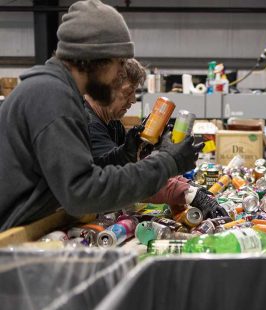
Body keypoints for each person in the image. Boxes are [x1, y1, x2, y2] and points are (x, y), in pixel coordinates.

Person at [0, 0, 201, 231]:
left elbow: (85, 171)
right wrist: (167, 162)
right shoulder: (51, 96)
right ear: (96, 59)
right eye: (119, 62)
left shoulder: (58, 92)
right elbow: (83, 193)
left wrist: (125, 153)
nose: (118, 74)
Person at [85, 58, 226, 218]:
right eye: (127, 92)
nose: (132, 100)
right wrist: (190, 194)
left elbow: (138, 166)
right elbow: (128, 180)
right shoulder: (89, 125)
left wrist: (185, 183)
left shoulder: (113, 123)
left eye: (134, 93)